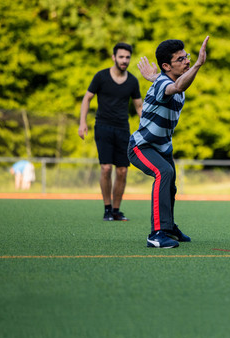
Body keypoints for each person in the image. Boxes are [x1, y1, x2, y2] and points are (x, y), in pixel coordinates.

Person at [128, 36, 209, 248]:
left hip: (162, 147)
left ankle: (169, 226)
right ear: (166, 65)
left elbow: (172, 83)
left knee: (170, 184)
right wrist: (199, 64)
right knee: (163, 172)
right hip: (141, 146)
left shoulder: (164, 80)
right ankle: (156, 234)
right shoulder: (168, 84)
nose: (187, 62)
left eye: (188, 57)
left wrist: (154, 76)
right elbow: (176, 86)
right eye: (181, 59)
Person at [78, 42, 143, 221]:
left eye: (127, 57)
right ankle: (107, 208)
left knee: (122, 170)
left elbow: (139, 106)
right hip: (103, 127)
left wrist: (148, 127)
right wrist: (82, 122)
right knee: (106, 168)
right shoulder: (101, 77)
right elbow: (87, 98)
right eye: (121, 57)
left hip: (123, 128)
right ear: (114, 57)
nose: (124, 60)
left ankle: (116, 210)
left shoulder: (132, 81)